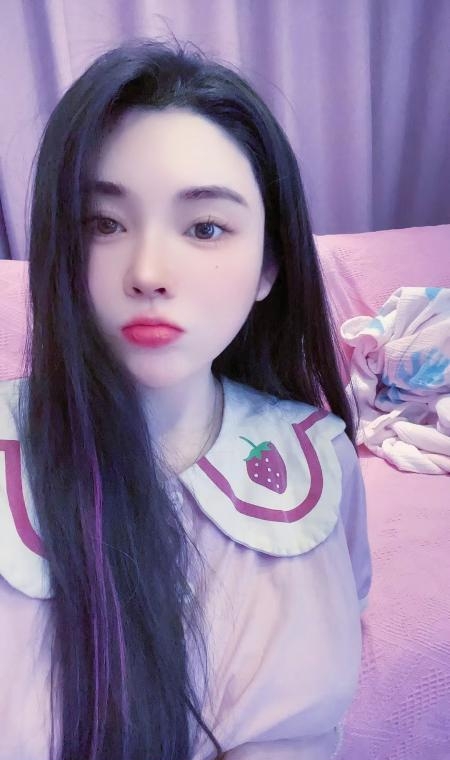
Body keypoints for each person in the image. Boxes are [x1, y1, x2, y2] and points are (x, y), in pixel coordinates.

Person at [0, 35, 372, 760]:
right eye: (103, 224)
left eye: (205, 227)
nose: (148, 271)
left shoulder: (321, 461)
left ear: (269, 265)